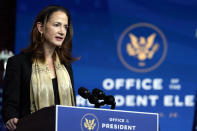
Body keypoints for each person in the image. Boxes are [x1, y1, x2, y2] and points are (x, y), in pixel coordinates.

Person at [2, 5, 78, 131]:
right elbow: (9, 106)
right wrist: (11, 118)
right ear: (40, 27)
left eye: (65, 27)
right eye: (56, 25)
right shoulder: (18, 63)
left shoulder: (66, 66)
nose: (62, 31)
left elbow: (72, 107)